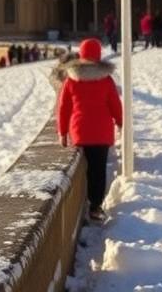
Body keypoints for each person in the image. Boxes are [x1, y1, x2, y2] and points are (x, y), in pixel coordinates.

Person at [56, 37, 123, 223]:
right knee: (98, 170)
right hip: (101, 133)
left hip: (80, 131)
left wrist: (62, 132)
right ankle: (95, 206)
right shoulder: (106, 79)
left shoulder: (72, 79)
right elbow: (115, 104)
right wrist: (120, 121)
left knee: (82, 170)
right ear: (99, 55)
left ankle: (83, 203)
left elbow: (64, 108)